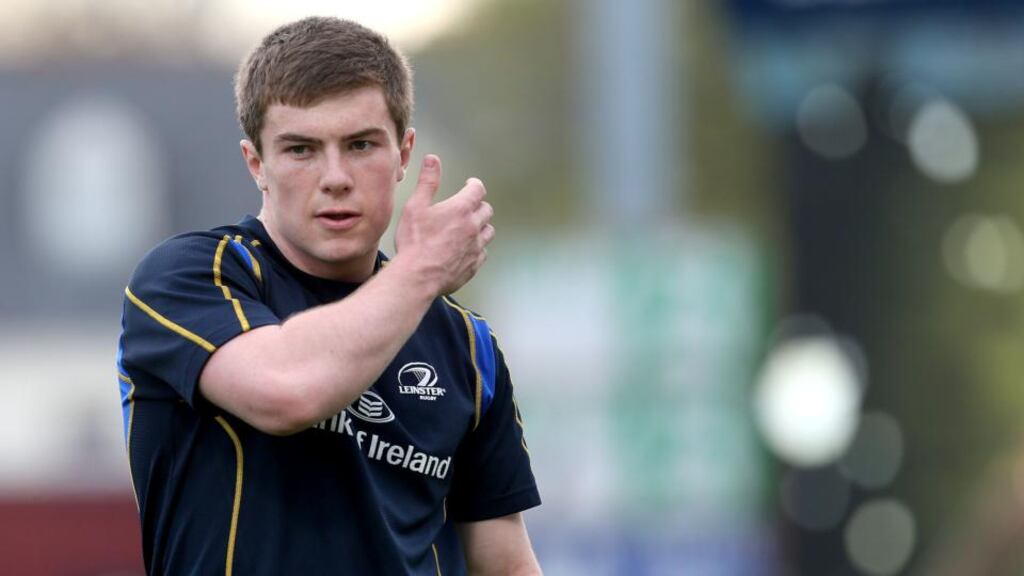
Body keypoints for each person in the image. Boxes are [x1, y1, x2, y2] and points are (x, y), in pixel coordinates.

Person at [116, 16, 541, 575]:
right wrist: (420, 272)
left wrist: (417, 279)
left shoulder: (465, 344)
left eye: (361, 144)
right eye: (301, 149)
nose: (335, 176)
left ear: (404, 153)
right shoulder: (191, 275)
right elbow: (287, 393)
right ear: (256, 164)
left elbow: (505, 564)